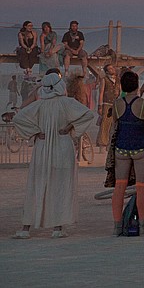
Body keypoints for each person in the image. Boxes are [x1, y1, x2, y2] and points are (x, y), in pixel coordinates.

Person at [11, 71, 98, 239]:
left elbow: (19, 118)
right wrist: (70, 127)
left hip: (42, 148)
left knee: (37, 185)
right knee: (61, 186)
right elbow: (87, 114)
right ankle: (57, 228)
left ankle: (26, 228)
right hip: (62, 145)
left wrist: (35, 132)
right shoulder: (67, 103)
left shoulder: (39, 105)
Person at [110, 70, 144, 235]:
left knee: (119, 186)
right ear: (137, 85)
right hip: (141, 147)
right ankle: (142, 226)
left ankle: (117, 226)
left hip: (121, 148)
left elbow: (115, 123)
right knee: (141, 187)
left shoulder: (117, 103)